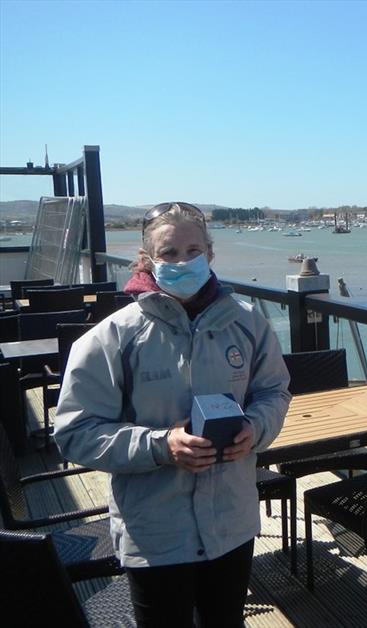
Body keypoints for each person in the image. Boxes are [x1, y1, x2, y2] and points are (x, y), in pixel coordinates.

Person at [54, 201, 291, 627]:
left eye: (193, 250)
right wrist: (161, 445)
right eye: (169, 253)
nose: (183, 261)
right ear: (147, 260)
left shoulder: (249, 323)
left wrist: (254, 429)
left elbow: (274, 391)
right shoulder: (112, 337)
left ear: (210, 253)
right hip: (155, 534)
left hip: (232, 524)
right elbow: (75, 431)